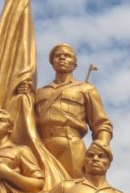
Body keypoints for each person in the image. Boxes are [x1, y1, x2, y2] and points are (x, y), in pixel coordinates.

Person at [34, 43, 113, 177]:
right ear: (52, 62)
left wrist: (101, 145)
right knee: (41, 188)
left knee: (75, 190)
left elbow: (102, 124)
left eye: (67, 56)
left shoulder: (86, 89)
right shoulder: (39, 93)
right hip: (42, 146)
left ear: (74, 64)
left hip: (71, 144)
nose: (62, 58)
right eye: (58, 56)